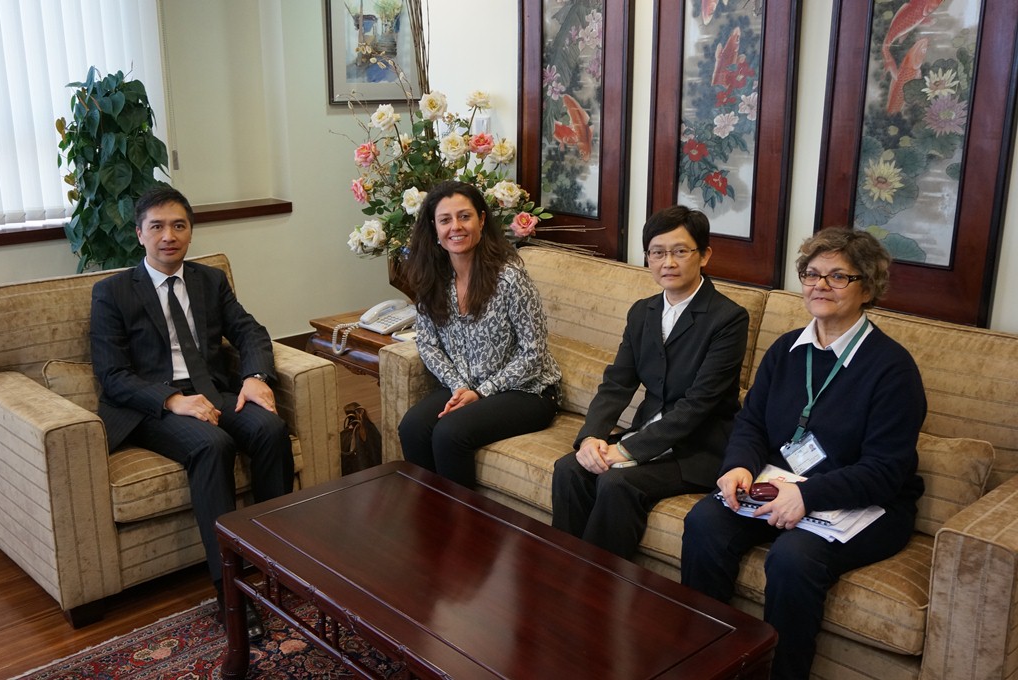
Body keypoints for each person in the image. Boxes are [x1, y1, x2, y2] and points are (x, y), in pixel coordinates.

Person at [680, 227, 926, 679]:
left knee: (793, 558)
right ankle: (703, 661)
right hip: (781, 483)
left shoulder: (892, 369)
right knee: (704, 521)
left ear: (867, 287)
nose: (820, 286)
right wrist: (738, 467)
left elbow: (885, 470)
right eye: (811, 275)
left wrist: (808, 497)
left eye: (838, 277)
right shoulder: (786, 350)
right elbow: (751, 423)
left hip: (869, 503)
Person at [90, 186, 293, 642]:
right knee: (212, 445)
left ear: (190, 232)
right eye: (157, 226)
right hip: (153, 407)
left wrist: (256, 374)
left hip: (213, 392)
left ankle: (276, 559)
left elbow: (250, 331)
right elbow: (112, 375)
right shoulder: (112, 293)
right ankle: (229, 590)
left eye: (178, 225)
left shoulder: (209, 281)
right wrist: (169, 401)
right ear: (139, 234)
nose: (169, 236)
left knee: (270, 429)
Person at [551, 205, 749, 559]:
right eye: (657, 253)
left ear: (704, 255)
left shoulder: (728, 318)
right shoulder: (643, 311)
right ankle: (566, 570)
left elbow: (698, 405)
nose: (668, 263)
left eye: (679, 252)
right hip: (647, 435)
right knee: (570, 468)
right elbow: (617, 383)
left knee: (617, 481)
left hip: (698, 449)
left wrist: (625, 450)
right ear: (647, 259)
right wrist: (592, 437)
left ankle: (601, 585)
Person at [397, 180, 562, 488]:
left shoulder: (510, 278)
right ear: (434, 229)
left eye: (465, 216)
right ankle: (430, 520)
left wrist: (482, 391)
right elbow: (428, 345)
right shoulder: (432, 279)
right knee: (413, 426)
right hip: (467, 387)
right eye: (445, 220)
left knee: (450, 433)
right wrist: (460, 386)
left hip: (528, 392)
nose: (455, 227)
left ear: (482, 220)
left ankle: (465, 529)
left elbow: (534, 353)